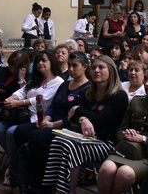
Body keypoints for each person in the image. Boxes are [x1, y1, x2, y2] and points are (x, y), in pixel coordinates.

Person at [42, 56, 129, 193]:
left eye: (101, 67)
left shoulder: (119, 96)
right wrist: (83, 118)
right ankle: (53, 187)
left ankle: (66, 190)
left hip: (105, 143)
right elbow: (73, 116)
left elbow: (100, 121)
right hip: (84, 138)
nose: (96, 70)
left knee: (70, 146)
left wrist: (79, 111)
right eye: (94, 67)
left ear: (111, 71)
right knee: (58, 141)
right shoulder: (89, 92)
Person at [9, 51, 90, 190]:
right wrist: (45, 120)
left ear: (85, 67)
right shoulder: (65, 85)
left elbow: (75, 116)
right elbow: (52, 107)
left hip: (67, 127)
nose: (71, 69)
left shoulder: (87, 88)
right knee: (20, 131)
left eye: (75, 65)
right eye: (69, 65)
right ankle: (25, 175)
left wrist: (52, 124)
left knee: (36, 138)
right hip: (51, 121)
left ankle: (39, 182)